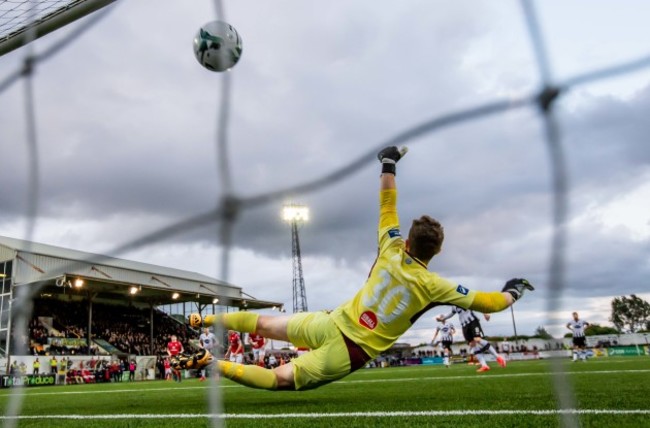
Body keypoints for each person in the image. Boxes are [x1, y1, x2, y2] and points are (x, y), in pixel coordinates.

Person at [179, 146, 534, 391]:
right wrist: (513, 289)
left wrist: (388, 162)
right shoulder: (434, 285)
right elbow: (489, 302)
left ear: (408, 242)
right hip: (349, 351)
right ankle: (213, 363)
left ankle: (204, 320)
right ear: (436, 252)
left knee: (265, 323)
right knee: (280, 379)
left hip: (330, 321)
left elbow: (387, 203)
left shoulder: (392, 246)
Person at [437, 306, 505, 373]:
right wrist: (443, 319)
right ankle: (484, 365)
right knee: (472, 344)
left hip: (473, 321)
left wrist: (485, 313)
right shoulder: (454, 305)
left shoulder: (464, 297)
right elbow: (452, 313)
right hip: (464, 325)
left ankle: (498, 357)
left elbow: (477, 304)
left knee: (477, 339)